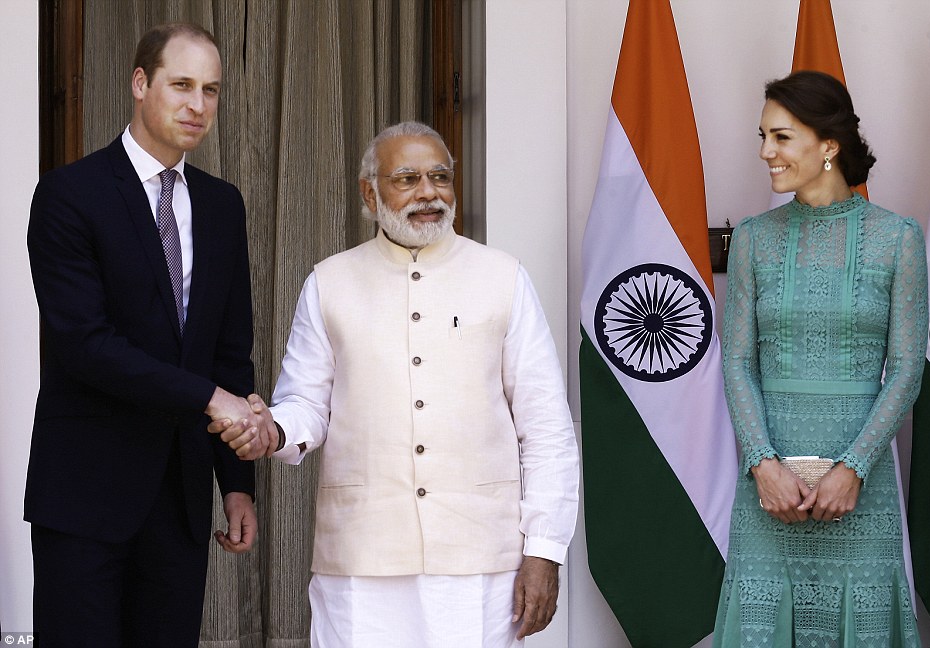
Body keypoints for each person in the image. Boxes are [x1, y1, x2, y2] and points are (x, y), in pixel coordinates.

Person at [211, 121, 580, 647]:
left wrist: (544, 549)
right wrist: (273, 429)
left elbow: (546, 426)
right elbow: (306, 404)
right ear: (370, 193)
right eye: (407, 179)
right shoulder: (329, 282)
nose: (428, 192)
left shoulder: (503, 278)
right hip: (361, 559)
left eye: (440, 177)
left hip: (479, 559)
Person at [25, 22, 275, 647]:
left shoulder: (223, 205)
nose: (198, 105)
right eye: (181, 85)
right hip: (85, 494)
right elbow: (85, 345)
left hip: (180, 499)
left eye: (211, 90)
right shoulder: (68, 194)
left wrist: (236, 483)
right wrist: (208, 398)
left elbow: (229, 353)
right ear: (140, 83)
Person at [713, 70, 926, 646]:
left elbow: (907, 369)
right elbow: (737, 362)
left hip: (861, 483)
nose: (766, 152)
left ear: (829, 144)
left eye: (781, 137)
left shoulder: (897, 238)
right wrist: (763, 465)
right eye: (763, 137)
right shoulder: (753, 237)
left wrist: (853, 468)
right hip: (768, 487)